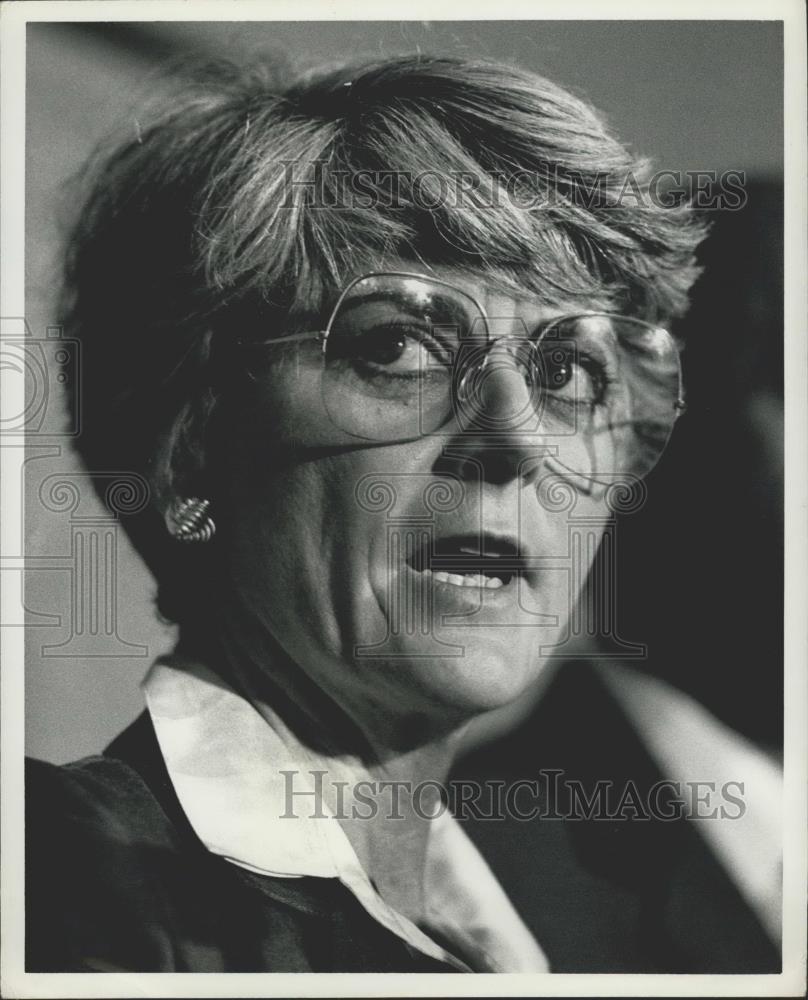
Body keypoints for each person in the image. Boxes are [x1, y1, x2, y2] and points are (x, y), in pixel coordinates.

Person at [26, 52, 767, 974]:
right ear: (189, 448)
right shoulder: (56, 882)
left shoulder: (546, 943)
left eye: (566, 372)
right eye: (400, 348)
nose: (516, 440)